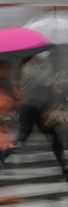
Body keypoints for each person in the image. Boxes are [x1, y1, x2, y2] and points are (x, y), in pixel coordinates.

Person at [13, 52, 68, 181]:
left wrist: (54, 80)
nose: (43, 57)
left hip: (40, 108)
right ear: (34, 56)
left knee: (55, 137)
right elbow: (41, 82)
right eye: (41, 55)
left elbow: (46, 82)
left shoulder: (36, 66)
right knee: (22, 139)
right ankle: (1, 155)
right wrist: (54, 79)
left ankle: (64, 165)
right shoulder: (27, 68)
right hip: (30, 109)